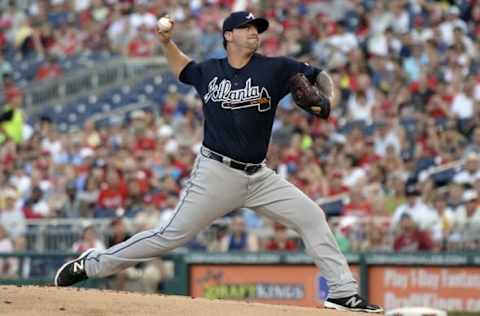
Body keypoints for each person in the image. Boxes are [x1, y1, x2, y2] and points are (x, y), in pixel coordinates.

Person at [54, 11, 383, 313]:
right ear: (228, 35)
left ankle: (342, 291)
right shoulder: (210, 72)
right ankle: (93, 264)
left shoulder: (276, 67)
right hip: (216, 172)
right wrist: (166, 43)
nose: (255, 33)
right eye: (247, 28)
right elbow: (182, 67)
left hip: (260, 177)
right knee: (171, 235)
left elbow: (320, 75)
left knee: (311, 216)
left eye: (257, 29)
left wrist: (328, 100)